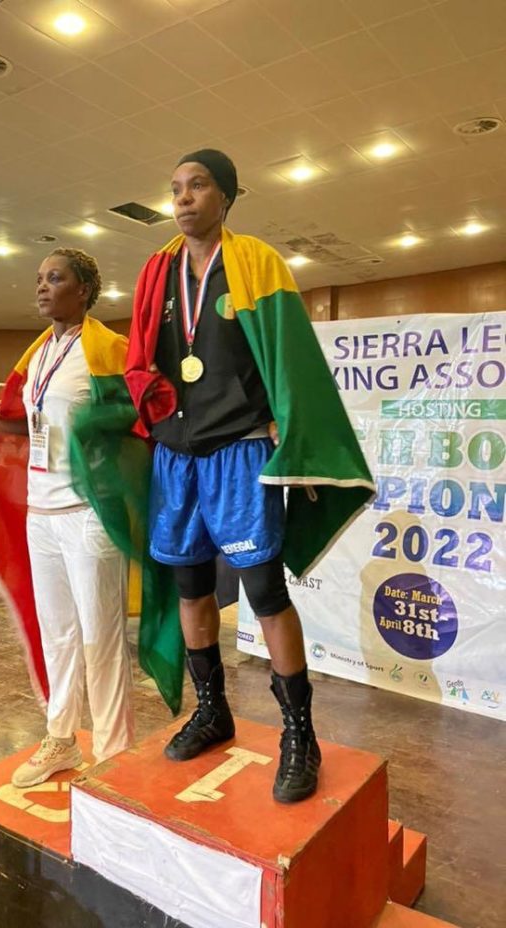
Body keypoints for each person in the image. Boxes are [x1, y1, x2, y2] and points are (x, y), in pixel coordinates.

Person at [125, 150, 374, 803]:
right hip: (178, 454)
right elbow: (140, 360)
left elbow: (290, 359)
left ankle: (300, 735)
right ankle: (212, 710)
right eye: (175, 188)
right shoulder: (157, 271)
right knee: (190, 587)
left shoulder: (259, 262)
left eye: (197, 186)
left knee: (264, 592)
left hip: (240, 449)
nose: (182, 198)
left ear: (227, 196)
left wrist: (291, 434)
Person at [0, 248, 135, 786]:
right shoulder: (38, 355)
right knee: (58, 634)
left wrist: (103, 429)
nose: (42, 287)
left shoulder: (109, 350)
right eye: (40, 279)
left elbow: (138, 421)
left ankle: (114, 755)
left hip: (88, 514)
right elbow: (28, 426)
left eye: (55, 278)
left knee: (100, 636)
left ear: (84, 290)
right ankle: (61, 738)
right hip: (41, 512)